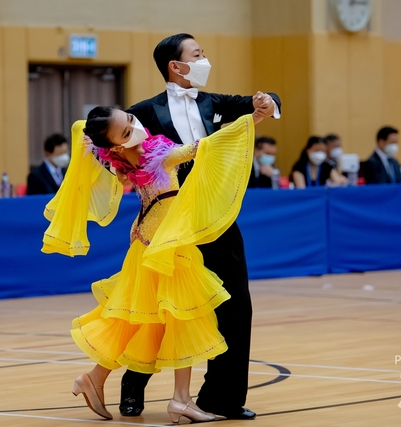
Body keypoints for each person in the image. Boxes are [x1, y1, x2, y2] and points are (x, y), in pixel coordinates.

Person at [42, 101, 269, 422]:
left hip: (150, 241)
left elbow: (86, 132)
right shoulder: (156, 154)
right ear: (116, 145)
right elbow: (201, 146)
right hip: (164, 246)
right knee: (181, 314)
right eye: (126, 131)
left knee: (144, 319)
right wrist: (250, 121)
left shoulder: (121, 159)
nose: (135, 127)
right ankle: (179, 400)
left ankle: (98, 378)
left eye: (130, 119)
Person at [122, 33, 281, 420]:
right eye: (197, 55)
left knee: (235, 305)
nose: (204, 60)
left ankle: (222, 398)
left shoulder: (215, 103)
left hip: (216, 218)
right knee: (161, 310)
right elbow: (121, 153)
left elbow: (260, 102)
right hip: (169, 222)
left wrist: (268, 102)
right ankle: (133, 384)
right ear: (175, 66)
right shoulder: (143, 112)